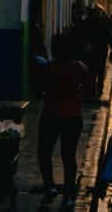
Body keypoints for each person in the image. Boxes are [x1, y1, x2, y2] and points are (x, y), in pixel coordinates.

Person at [38, 35, 91, 208]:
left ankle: (49, 186)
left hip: (51, 115)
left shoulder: (49, 68)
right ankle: (68, 194)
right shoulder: (80, 68)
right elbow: (88, 88)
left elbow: (40, 89)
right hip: (73, 116)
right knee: (68, 155)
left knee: (44, 152)